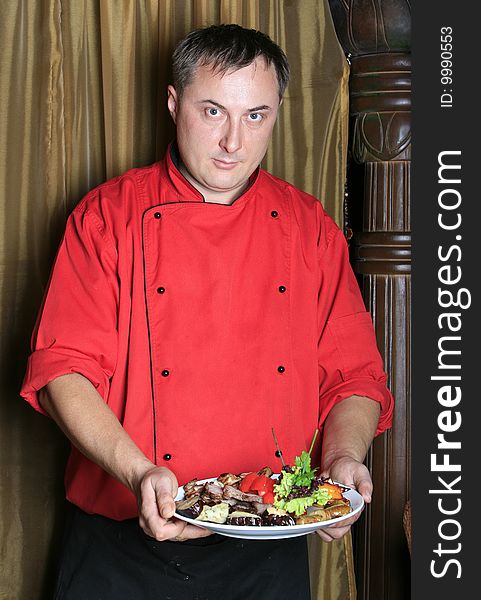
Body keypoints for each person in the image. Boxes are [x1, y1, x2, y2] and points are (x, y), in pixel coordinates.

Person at [21, 24, 393, 600]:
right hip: (121, 549)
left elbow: (355, 378)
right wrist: (140, 474)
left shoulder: (308, 227)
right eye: (213, 111)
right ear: (174, 104)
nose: (233, 142)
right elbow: (62, 371)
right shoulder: (108, 217)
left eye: (256, 116)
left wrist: (343, 460)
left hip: (269, 549)